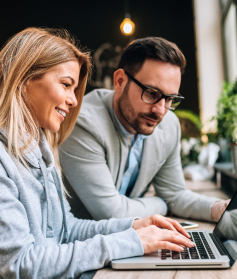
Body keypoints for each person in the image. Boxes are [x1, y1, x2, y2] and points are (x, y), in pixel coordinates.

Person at [0, 28, 195, 279]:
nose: (73, 101)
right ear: (24, 79)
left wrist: (133, 226)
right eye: (66, 85)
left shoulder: (40, 149)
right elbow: (18, 264)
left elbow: (66, 230)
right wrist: (130, 242)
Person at [59, 37, 230, 221]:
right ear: (120, 81)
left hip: (132, 238)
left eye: (170, 98)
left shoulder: (169, 125)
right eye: (151, 93)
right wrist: (162, 204)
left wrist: (220, 209)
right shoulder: (83, 123)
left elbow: (175, 195)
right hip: (82, 243)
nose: (160, 110)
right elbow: (112, 213)